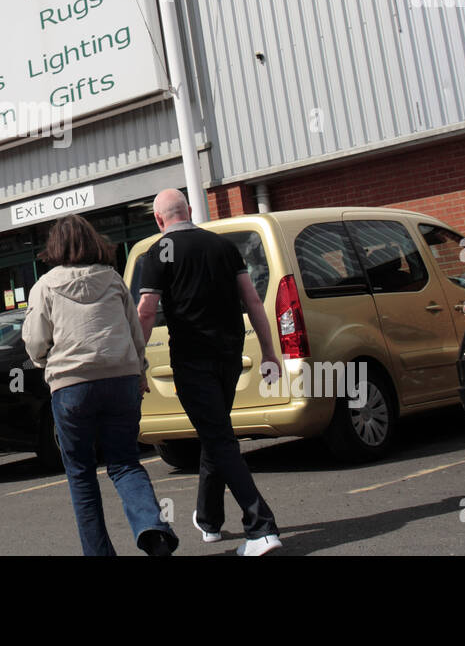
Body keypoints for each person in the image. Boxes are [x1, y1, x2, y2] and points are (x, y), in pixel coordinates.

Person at [135, 188, 284, 556]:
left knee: (217, 437)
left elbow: (146, 311)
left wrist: (136, 360)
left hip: (192, 359)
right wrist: (268, 352)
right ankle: (209, 518)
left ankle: (261, 528)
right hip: (230, 355)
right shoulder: (223, 246)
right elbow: (252, 301)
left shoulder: (157, 254)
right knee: (215, 430)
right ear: (188, 211)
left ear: (159, 220)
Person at [23, 214, 179, 557]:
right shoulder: (112, 279)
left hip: (72, 385)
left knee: (81, 475)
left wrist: (44, 364)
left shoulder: (45, 286)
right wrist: (139, 371)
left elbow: (35, 342)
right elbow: (135, 331)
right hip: (121, 379)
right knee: (124, 463)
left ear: (55, 247)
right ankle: (153, 530)